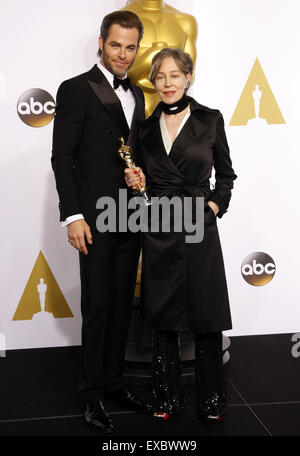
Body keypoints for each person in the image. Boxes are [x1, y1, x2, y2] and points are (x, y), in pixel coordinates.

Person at [51, 10, 151, 434]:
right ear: (101, 42)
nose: (123, 55)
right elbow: (62, 157)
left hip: (129, 215)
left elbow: (135, 154)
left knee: (120, 306)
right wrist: (72, 215)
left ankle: (114, 383)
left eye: (131, 47)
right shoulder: (75, 89)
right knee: (97, 308)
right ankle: (91, 396)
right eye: (116, 45)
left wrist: (141, 178)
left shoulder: (140, 96)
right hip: (92, 217)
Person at [125, 48, 237, 426]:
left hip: (199, 225)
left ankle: (212, 400)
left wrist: (213, 208)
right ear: (152, 82)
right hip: (158, 226)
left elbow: (226, 176)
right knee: (163, 313)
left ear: (188, 77)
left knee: (206, 312)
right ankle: (168, 397)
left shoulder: (210, 120)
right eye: (160, 76)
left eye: (175, 75)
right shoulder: (142, 129)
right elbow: (138, 181)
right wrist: (134, 182)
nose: (168, 83)